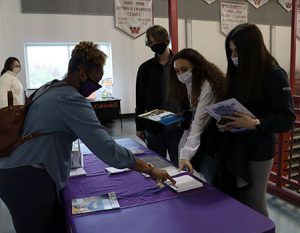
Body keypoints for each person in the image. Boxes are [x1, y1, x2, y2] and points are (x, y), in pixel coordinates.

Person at [0, 41, 175, 233]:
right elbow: (108, 150)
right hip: (27, 178)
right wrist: (149, 170)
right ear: (82, 73)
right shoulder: (71, 99)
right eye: (95, 80)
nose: (96, 87)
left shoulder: (49, 87)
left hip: (15, 169)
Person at [217, 23, 295, 216]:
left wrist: (255, 123)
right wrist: (225, 122)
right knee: (236, 202)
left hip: (258, 151)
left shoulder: (275, 75)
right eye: (231, 51)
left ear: (250, 51)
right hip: (234, 147)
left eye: (237, 51)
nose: (233, 57)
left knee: (254, 205)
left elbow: (287, 119)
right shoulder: (237, 74)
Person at [168, 48, 226, 184]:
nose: (181, 74)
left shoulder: (208, 86)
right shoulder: (192, 82)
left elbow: (199, 122)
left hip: (214, 141)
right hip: (204, 137)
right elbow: (195, 115)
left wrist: (185, 154)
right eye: (177, 71)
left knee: (209, 182)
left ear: (196, 66)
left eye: (184, 69)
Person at [135, 25, 189, 166]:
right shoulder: (145, 68)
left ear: (165, 40)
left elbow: (190, 92)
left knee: (179, 166)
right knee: (156, 167)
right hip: (154, 127)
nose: (154, 45)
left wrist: (188, 117)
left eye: (156, 41)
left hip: (177, 126)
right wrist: (139, 126)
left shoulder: (181, 65)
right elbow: (140, 98)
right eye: (151, 43)